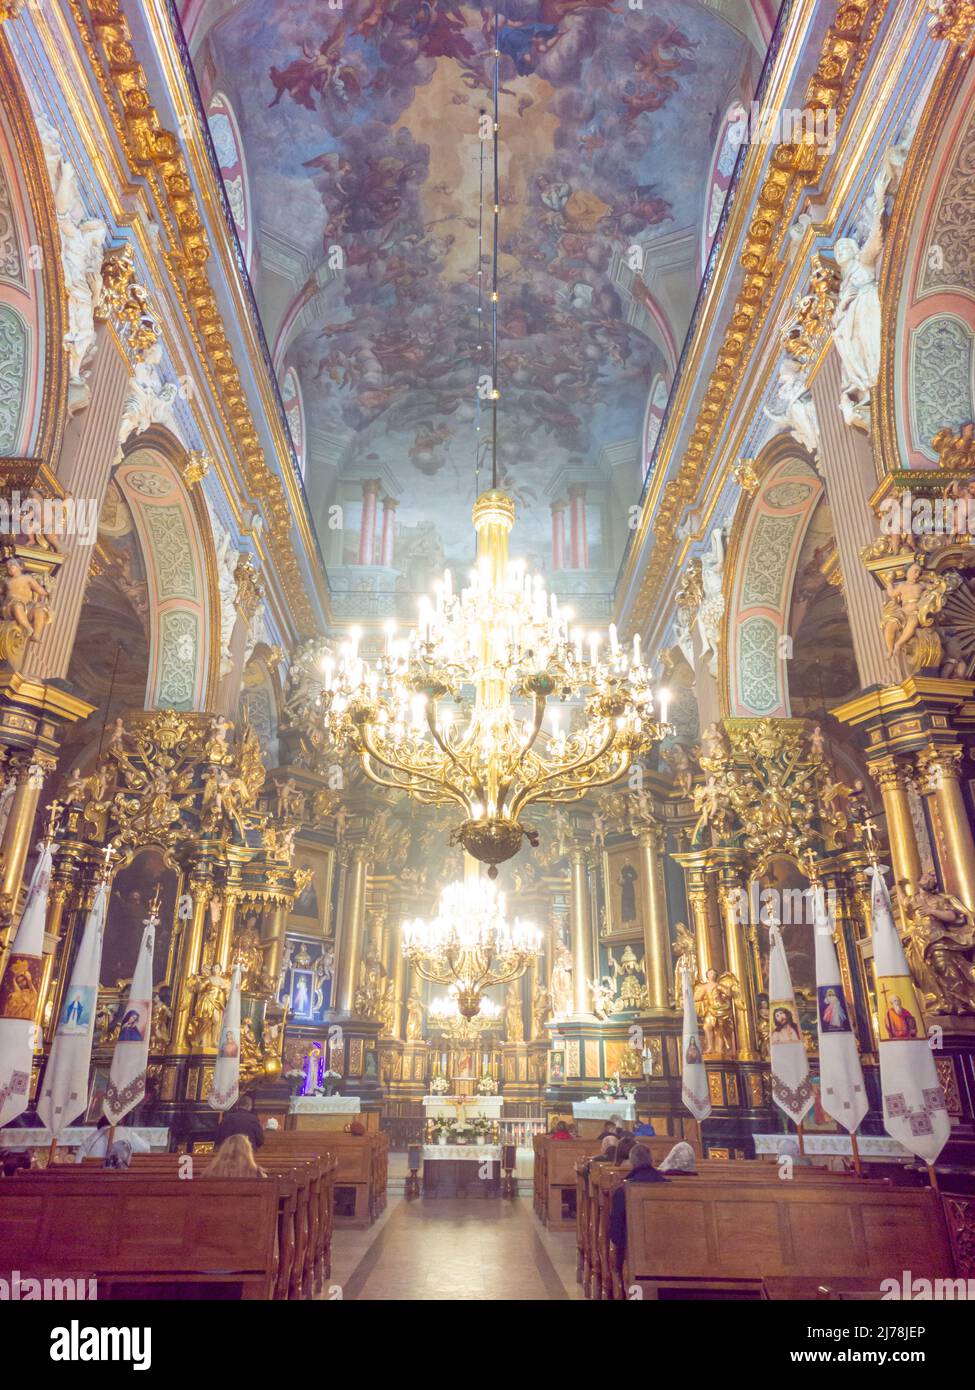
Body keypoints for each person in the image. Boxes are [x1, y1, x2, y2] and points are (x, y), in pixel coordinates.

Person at [608, 1143, 668, 1259]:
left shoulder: (622, 1191)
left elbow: (616, 1233)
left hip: (633, 1256)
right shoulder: (669, 1188)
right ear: (652, 1161)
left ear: (632, 1163)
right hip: (666, 1253)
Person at [75, 1115, 150, 1163]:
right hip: (122, 1175)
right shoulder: (126, 1132)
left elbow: (78, 1161)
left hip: (94, 1176)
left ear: (99, 1126)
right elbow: (144, 1148)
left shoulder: (91, 1138)